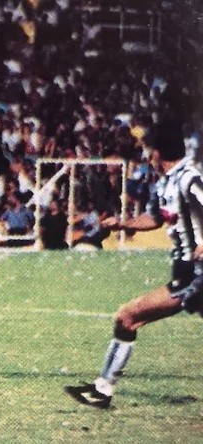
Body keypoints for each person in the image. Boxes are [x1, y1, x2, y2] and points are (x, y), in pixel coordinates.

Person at [65, 119, 203, 409]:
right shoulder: (167, 182)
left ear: (157, 152)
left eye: (148, 149)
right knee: (129, 318)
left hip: (196, 274)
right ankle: (102, 390)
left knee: (127, 316)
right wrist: (123, 223)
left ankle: (103, 391)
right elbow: (154, 217)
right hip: (185, 273)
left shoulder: (190, 178)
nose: (146, 155)